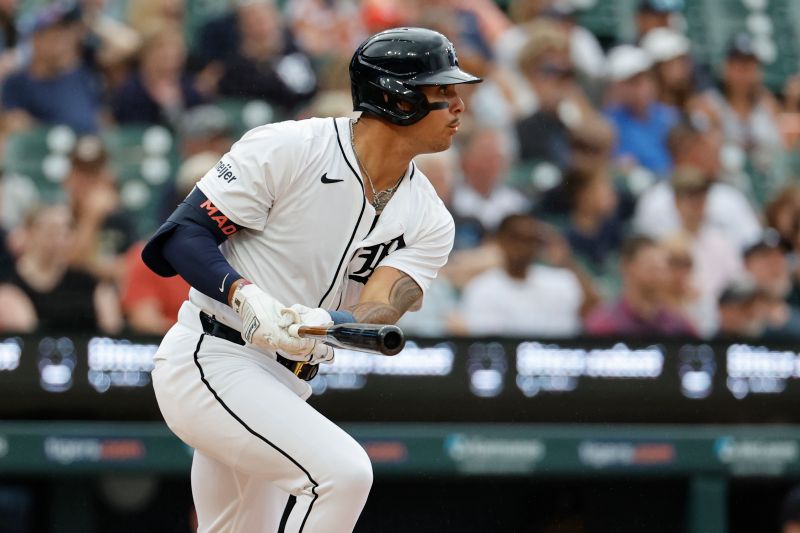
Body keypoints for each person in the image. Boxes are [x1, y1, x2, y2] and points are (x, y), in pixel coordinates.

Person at [142, 27, 480, 532]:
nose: (458, 106)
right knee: (342, 474)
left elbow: (383, 306)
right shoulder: (290, 147)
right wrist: (246, 295)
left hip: (288, 382)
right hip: (213, 355)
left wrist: (327, 321)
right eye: (442, 92)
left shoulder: (430, 217)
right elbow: (181, 236)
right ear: (394, 97)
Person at [459, 214, 591, 337]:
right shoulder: (481, 289)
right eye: (516, 239)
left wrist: (565, 259)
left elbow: (594, 313)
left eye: (530, 240)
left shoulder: (562, 282)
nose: (523, 247)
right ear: (500, 241)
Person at [585, 235, 696, 337]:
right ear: (626, 266)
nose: (658, 275)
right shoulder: (604, 323)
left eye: (661, 268)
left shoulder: (678, 324)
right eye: (650, 267)